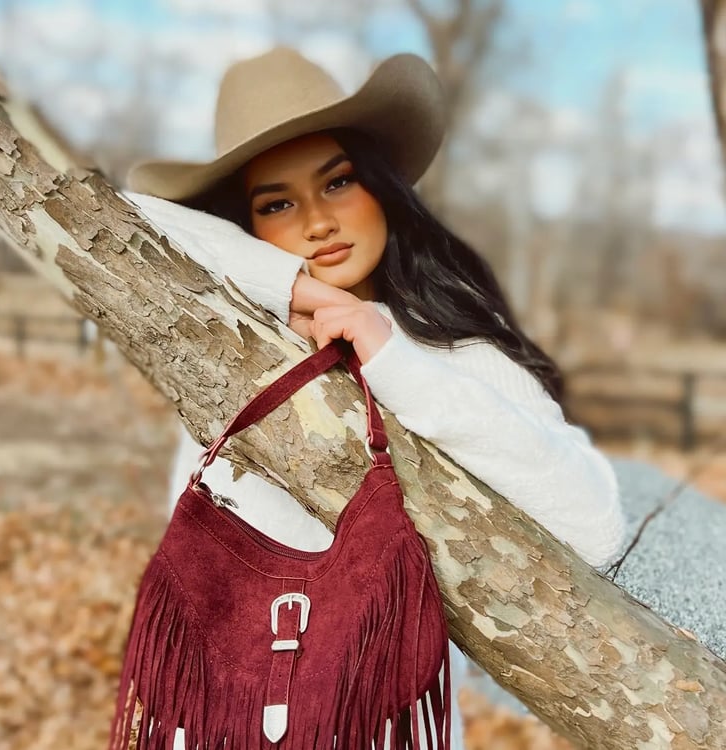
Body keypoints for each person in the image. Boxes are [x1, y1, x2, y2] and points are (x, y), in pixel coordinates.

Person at [124, 46, 626, 749]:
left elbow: (597, 525)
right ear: (243, 227)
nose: (317, 222)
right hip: (224, 723)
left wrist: (388, 354)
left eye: (337, 183)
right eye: (276, 203)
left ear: (382, 186)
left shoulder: (454, 352)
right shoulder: (233, 351)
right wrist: (299, 290)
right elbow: (130, 216)